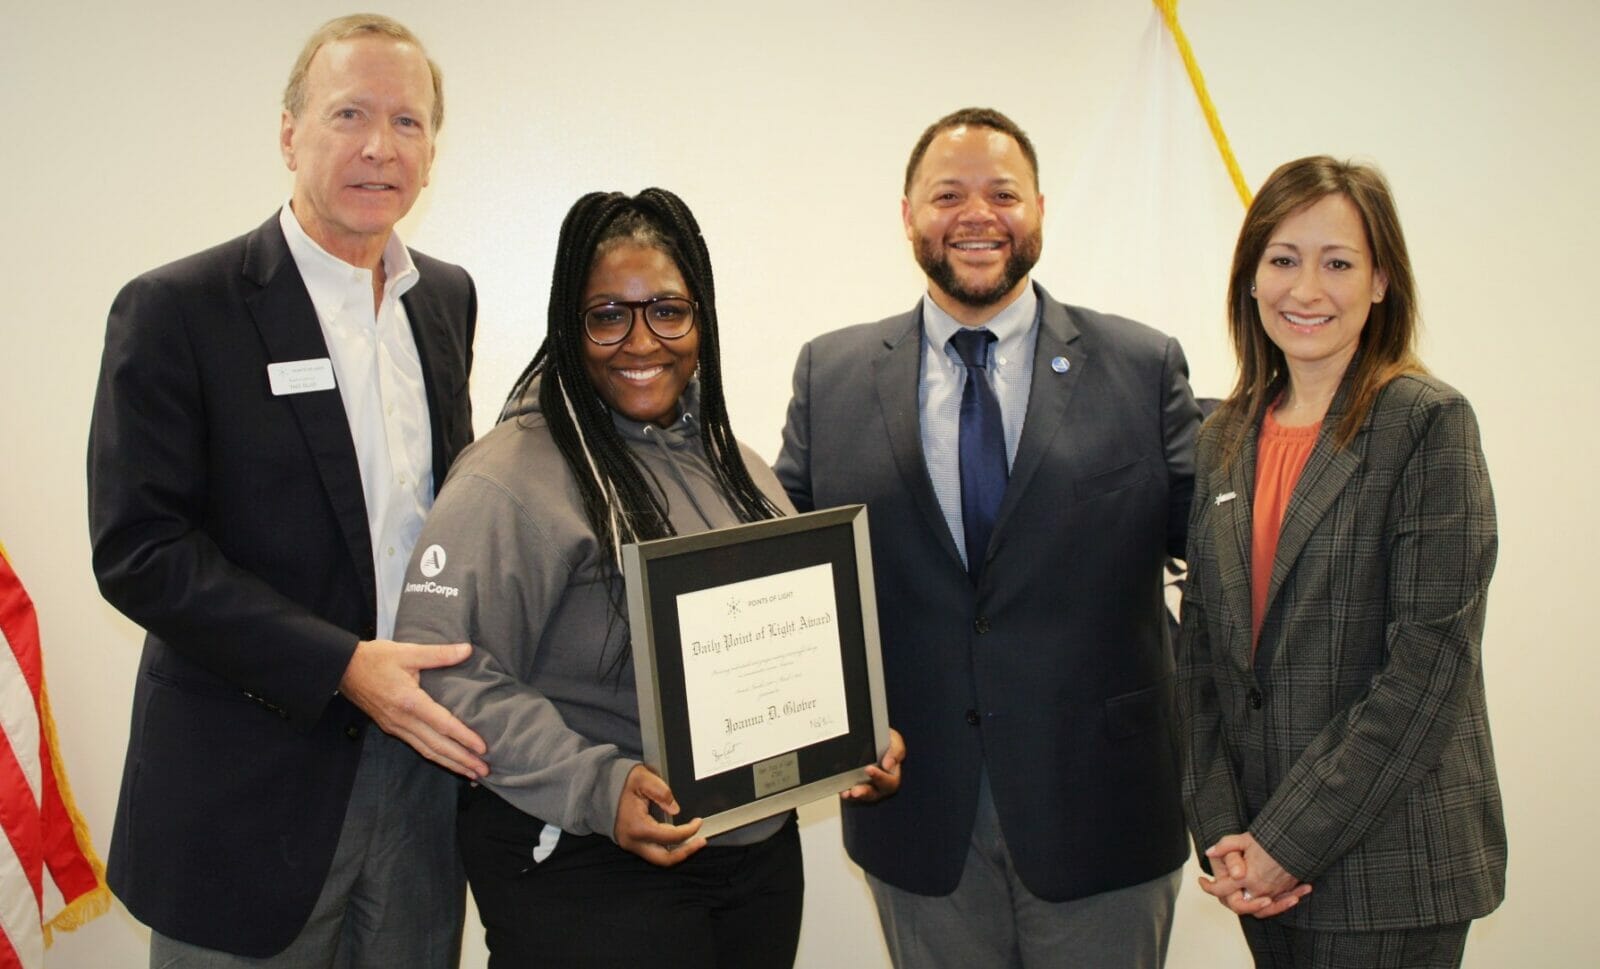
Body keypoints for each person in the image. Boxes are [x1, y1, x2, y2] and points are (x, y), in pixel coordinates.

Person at [394, 188, 903, 968]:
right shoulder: (509, 477)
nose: (641, 341)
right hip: (586, 862)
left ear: (701, 320)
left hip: (752, 862)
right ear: (571, 324)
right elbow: (442, 677)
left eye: (667, 310)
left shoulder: (741, 470)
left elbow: (787, 639)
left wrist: (848, 733)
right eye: (608, 314)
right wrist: (599, 786)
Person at [87, 14, 484, 965]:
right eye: (349, 113)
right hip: (243, 793)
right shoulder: (178, 308)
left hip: (419, 781)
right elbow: (140, 550)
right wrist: (343, 663)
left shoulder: (447, 299)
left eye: (408, 121)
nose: (380, 147)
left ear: (433, 151)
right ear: (289, 133)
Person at [775, 107, 1200, 968]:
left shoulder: (1143, 365)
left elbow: (1220, 557)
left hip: (1106, 812)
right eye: (948, 194)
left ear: (1039, 207)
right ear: (907, 214)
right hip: (920, 815)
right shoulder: (831, 376)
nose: (977, 215)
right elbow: (789, 581)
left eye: (1003, 193)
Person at [1175, 155, 1505, 969]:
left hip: (1389, 872)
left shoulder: (1426, 424)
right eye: (1283, 259)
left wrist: (1289, 842)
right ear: (1250, 278)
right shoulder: (1224, 438)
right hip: (1260, 867)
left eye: (1338, 262)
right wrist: (1223, 831)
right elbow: (1203, 658)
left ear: (1382, 279)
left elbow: (1427, 669)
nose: (1306, 289)